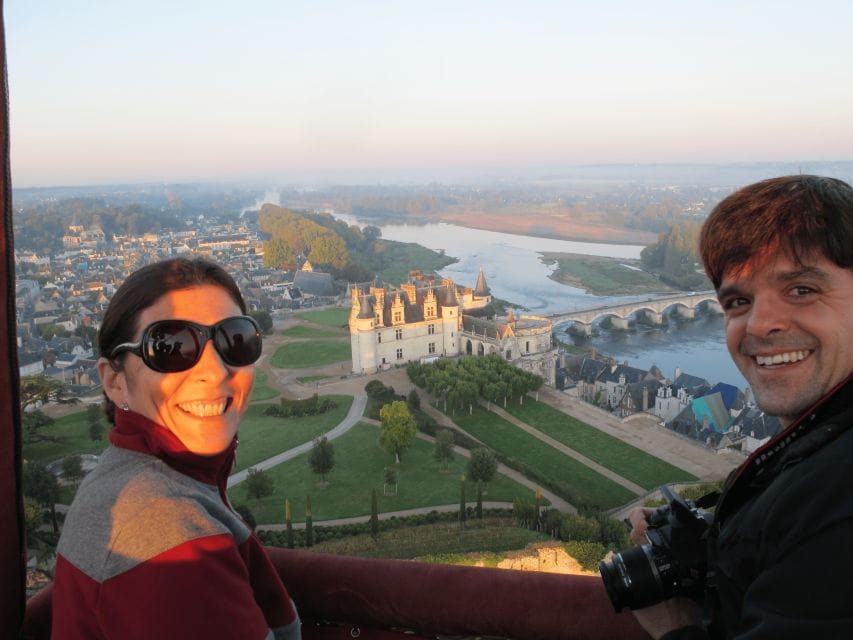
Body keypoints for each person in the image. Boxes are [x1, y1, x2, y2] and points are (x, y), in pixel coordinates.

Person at [629, 175, 853, 639]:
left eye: (802, 289)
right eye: (738, 301)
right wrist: (716, 540)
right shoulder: (822, 446)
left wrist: (676, 626)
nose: (760, 324)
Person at [52, 257, 301, 639]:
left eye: (235, 340)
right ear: (115, 381)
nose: (215, 371)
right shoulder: (168, 533)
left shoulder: (127, 478)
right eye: (172, 348)